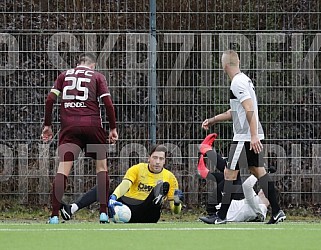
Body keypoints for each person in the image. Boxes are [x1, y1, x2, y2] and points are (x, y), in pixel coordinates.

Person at [201, 50, 286, 224]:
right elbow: (235, 111)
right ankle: (277, 211)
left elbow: (249, 109)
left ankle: (221, 216)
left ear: (224, 66)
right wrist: (213, 120)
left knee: (229, 173)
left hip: (244, 137)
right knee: (258, 172)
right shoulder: (244, 80)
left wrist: (253, 135)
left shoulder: (237, 83)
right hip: (250, 135)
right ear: (237, 62)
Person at [41, 53, 118, 224]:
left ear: (78, 64)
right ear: (93, 65)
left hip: (69, 128)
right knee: (101, 168)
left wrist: (47, 125)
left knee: (63, 170)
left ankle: (54, 215)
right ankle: (103, 213)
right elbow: (108, 104)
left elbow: (49, 100)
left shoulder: (64, 75)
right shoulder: (97, 76)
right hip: (92, 126)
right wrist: (113, 128)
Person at [60, 144, 184, 223]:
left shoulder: (170, 177)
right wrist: (113, 197)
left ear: (165, 161)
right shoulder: (137, 168)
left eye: (161, 159)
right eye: (155, 158)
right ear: (148, 158)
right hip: (128, 208)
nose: (157, 162)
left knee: (162, 186)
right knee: (103, 188)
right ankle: (71, 208)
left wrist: (177, 203)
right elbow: (125, 185)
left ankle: (158, 196)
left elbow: (175, 211)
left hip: (149, 213)